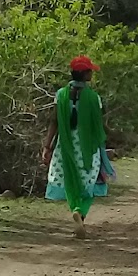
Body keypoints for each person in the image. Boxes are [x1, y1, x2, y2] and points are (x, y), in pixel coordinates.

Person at [43, 56, 113, 238]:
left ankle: (74, 207)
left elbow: (54, 121)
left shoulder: (60, 95)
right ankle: (81, 213)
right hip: (87, 148)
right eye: (90, 71)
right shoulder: (93, 98)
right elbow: (99, 125)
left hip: (65, 146)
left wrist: (47, 146)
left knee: (70, 181)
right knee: (91, 182)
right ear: (85, 74)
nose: (92, 74)